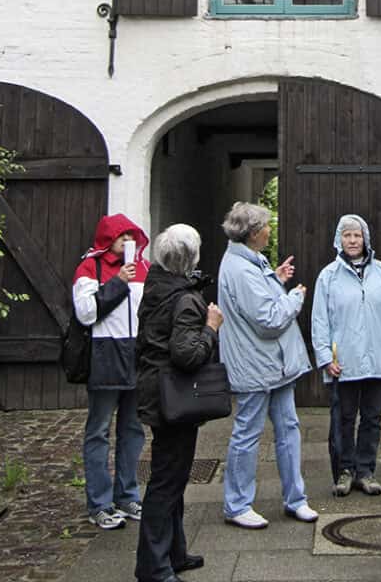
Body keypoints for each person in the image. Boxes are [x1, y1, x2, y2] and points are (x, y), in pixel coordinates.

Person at [218, 201, 317, 528]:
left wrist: (275, 279)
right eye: (266, 226)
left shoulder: (249, 260)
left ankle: (296, 499)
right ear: (252, 233)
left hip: (274, 365)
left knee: (289, 429)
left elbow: (258, 299)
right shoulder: (241, 268)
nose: (270, 230)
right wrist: (295, 297)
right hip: (256, 365)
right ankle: (237, 505)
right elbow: (268, 320)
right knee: (247, 434)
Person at [134, 224, 222, 582]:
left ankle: (174, 552)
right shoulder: (184, 300)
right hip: (172, 399)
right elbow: (187, 355)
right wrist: (211, 327)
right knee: (166, 482)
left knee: (172, 477)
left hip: (156, 393)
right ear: (190, 258)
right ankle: (153, 567)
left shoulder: (156, 287)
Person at [311, 214, 381, 497]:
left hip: (379, 358)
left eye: (357, 235)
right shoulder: (328, 276)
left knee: (372, 418)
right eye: (347, 235)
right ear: (338, 240)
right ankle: (344, 472)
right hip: (344, 362)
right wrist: (325, 358)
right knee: (343, 419)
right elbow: (320, 321)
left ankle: (365, 471)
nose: (352, 241)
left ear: (365, 239)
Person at [72, 213, 150, 530]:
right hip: (105, 355)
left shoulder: (142, 269)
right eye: (122, 237)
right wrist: (118, 283)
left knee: (132, 430)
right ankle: (100, 503)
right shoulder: (90, 267)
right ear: (109, 239)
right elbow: (87, 313)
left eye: (132, 236)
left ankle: (128, 495)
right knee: (99, 431)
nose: (128, 242)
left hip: (135, 354)